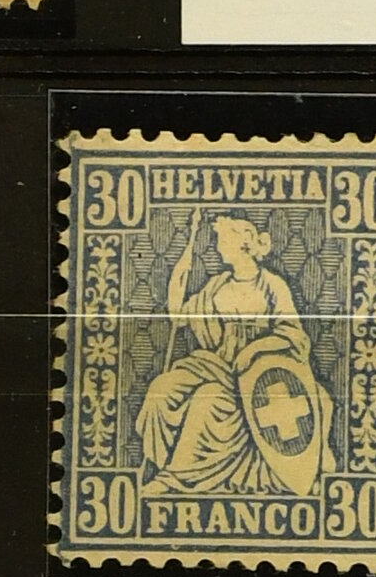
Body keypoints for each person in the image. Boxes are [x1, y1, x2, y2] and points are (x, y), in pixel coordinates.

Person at [133, 212, 330, 501]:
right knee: (161, 389)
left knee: (208, 399)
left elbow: (294, 335)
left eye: (223, 240)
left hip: (258, 376)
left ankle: (175, 477)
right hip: (219, 365)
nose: (217, 247)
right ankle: (161, 463)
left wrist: (254, 349)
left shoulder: (272, 285)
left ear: (244, 245)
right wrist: (184, 262)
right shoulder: (217, 285)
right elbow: (179, 316)